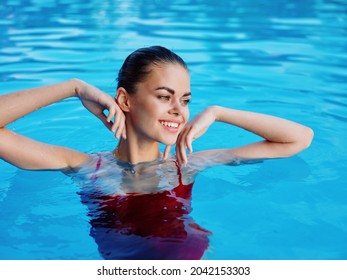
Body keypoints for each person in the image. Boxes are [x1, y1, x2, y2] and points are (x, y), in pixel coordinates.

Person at [0, 46, 313, 259]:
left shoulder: (186, 165)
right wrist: (73, 87)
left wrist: (219, 112)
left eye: (186, 100)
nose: (178, 110)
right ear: (124, 99)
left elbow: (298, 139)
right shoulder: (85, 167)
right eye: (165, 97)